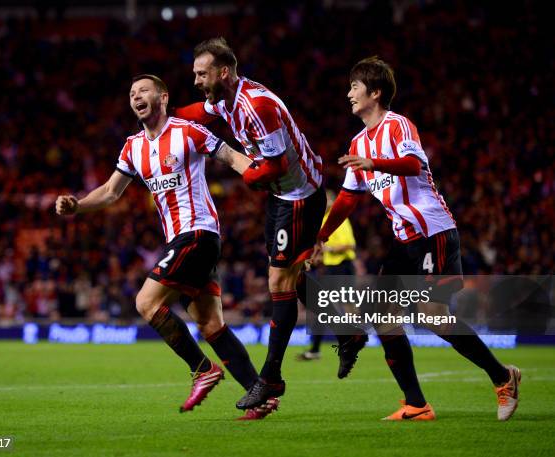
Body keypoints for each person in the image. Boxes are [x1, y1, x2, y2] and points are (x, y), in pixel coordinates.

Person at [55, 74, 278, 420]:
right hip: (183, 240)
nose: (135, 96)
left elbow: (232, 157)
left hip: (199, 233)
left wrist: (270, 175)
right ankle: (260, 396)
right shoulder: (133, 147)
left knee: (145, 302)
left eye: (143, 90)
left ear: (162, 96)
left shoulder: (187, 131)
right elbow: (112, 192)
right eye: (131, 93)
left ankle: (203, 369)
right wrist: (78, 205)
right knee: (210, 325)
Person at [314, 56, 520, 421]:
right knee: (384, 318)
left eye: (354, 88)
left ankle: (503, 378)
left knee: (433, 316)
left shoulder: (398, 126)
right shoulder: (358, 141)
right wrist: (320, 237)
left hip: (433, 233)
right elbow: (347, 198)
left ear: (375, 93)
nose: (348, 94)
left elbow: (413, 165)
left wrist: (374, 165)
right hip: (403, 242)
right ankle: (416, 404)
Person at [174, 37, 367, 410]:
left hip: (299, 194)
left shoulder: (256, 106)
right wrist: (167, 115)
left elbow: (275, 165)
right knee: (290, 278)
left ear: (224, 72)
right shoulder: (224, 99)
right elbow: (199, 111)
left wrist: (246, 177)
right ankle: (348, 333)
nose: (197, 79)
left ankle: (271, 378)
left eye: (202, 73)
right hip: (282, 195)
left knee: (279, 281)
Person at [297, 190, 358, 361]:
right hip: (334, 269)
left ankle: (346, 343)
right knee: (333, 308)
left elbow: (349, 245)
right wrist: (317, 257)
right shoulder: (324, 220)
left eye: (328, 200)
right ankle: (349, 341)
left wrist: (328, 250)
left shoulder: (337, 219)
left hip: (341, 268)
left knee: (326, 307)